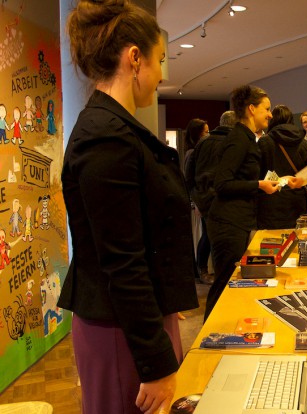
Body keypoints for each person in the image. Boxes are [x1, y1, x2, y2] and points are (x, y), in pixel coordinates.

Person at [61, 1, 199, 413]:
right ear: (134, 58)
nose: (160, 75)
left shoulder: (117, 130)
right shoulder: (105, 137)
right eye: (159, 61)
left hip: (137, 323)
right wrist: (155, 361)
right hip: (120, 331)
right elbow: (123, 262)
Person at [205, 85, 300, 322]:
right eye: (266, 109)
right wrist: (258, 185)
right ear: (251, 109)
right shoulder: (238, 139)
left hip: (237, 221)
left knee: (229, 282)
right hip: (228, 223)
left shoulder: (247, 139)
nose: (270, 114)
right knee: (224, 285)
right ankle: (208, 341)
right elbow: (222, 184)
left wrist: (282, 181)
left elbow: (247, 180)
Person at [190, 110, 237, 283]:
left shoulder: (203, 143)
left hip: (205, 200)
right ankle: (215, 274)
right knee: (218, 239)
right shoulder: (233, 143)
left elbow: (189, 174)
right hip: (223, 200)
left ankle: (204, 271)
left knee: (209, 237)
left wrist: (197, 199)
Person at [257, 104, 307, 229]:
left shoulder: (264, 142)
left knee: (272, 244)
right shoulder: (304, 143)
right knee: (297, 241)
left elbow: (259, 173)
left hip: (271, 201)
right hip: (297, 201)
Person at [182, 118, 209, 281]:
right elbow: (190, 180)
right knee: (207, 236)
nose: (208, 134)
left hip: (201, 199)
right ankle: (202, 270)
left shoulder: (197, 151)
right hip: (201, 200)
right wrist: (196, 203)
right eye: (206, 131)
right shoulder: (192, 153)